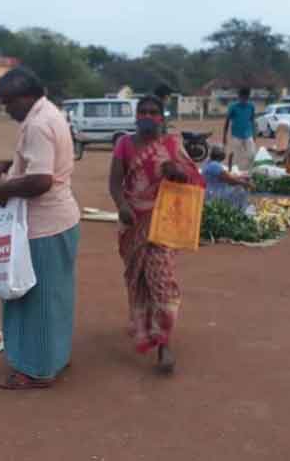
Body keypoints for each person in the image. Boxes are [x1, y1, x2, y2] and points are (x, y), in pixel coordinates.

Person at [0, 66, 80, 390]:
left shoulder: (38, 123)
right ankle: (54, 357)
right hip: (60, 222)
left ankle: (35, 369)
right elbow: (39, 166)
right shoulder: (49, 113)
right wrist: (9, 169)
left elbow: (41, 180)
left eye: (8, 102)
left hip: (44, 226)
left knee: (33, 300)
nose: (6, 109)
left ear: (26, 96)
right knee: (55, 297)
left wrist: (4, 189)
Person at [109, 95, 204, 374]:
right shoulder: (124, 144)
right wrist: (122, 206)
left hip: (163, 223)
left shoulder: (172, 144)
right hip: (132, 223)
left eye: (153, 112)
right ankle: (142, 325)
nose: (148, 116)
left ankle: (164, 343)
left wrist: (178, 172)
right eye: (143, 111)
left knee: (162, 280)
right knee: (137, 278)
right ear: (136, 115)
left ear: (162, 116)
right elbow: (114, 183)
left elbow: (194, 179)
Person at [202, 145, 255, 210]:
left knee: (240, 182)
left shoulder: (209, 161)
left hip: (211, 189)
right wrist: (245, 183)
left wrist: (241, 176)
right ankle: (238, 209)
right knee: (240, 189)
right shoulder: (215, 165)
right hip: (215, 193)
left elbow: (227, 176)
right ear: (221, 156)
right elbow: (231, 181)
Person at [223, 87, 256, 171]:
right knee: (235, 155)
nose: (244, 100)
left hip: (248, 134)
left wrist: (254, 134)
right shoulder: (233, 107)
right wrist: (224, 136)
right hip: (236, 135)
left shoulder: (251, 106)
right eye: (242, 98)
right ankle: (230, 170)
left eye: (246, 98)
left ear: (248, 97)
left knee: (252, 154)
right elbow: (227, 121)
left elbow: (252, 120)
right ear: (239, 96)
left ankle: (247, 171)